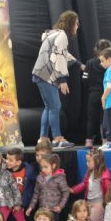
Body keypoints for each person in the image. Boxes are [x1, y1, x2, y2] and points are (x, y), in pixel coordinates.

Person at [31, 10, 83, 149]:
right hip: (47, 75)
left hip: (40, 74)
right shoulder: (62, 36)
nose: (77, 27)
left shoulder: (55, 34)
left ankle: (43, 139)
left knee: (49, 107)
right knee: (55, 106)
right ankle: (57, 138)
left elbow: (63, 53)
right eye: (76, 23)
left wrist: (79, 64)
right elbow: (59, 57)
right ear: (71, 23)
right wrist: (62, 80)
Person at [70, 148, 111, 221]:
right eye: (87, 161)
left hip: (98, 204)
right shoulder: (90, 172)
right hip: (88, 202)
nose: (87, 163)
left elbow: (108, 188)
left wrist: (108, 203)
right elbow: (84, 184)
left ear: (97, 161)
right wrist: (73, 190)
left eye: (89, 161)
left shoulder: (105, 173)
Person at [26, 153, 69, 221]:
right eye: (41, 167)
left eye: (46, 167)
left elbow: (66, 192)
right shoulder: (39, 178)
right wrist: (31, 207)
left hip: (53, 211)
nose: (43, 169)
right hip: (42, 210)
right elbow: (36, 194)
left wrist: (60, 206)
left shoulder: (60, 178)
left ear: (53, 166)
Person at [84, 39, 111, 147]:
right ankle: (104, 140)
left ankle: (88, 140)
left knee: (91, 118)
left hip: (93, 94)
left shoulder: (90, 62)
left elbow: (84, 79)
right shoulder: (109, 64)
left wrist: (90, 87)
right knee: (103, 118)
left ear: (96, 49)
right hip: (106, 94)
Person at [5, 148, 37, 213]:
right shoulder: (4, 171)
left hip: (24, 204)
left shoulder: (28, 171)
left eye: (11, 160)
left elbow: (35, 184)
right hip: (9, 205)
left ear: (18, 162)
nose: (7, 161)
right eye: (7, 159)